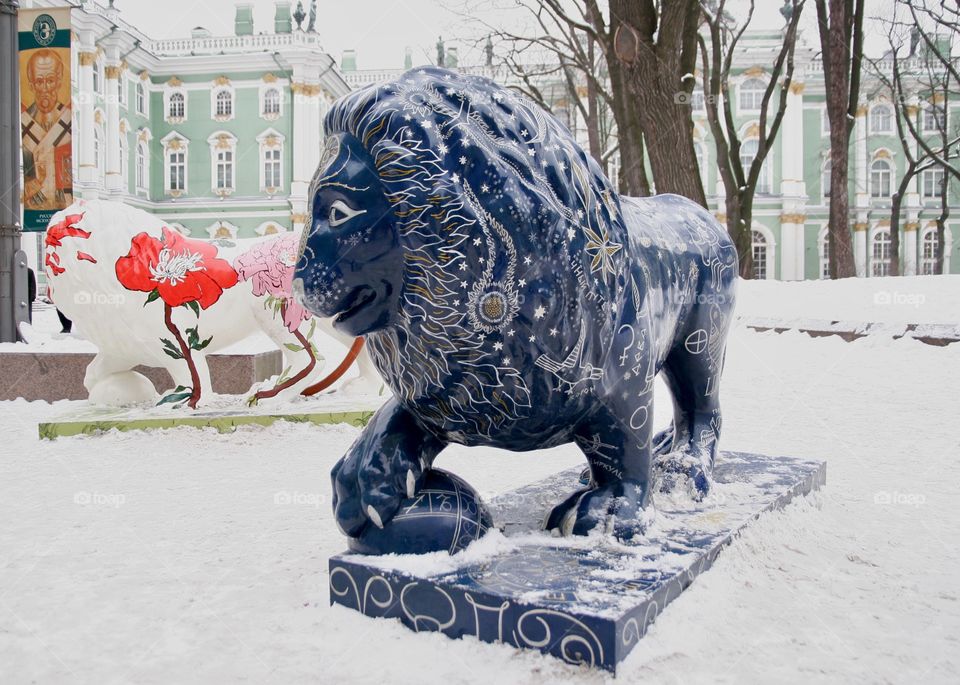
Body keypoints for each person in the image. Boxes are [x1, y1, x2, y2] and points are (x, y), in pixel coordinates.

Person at [21, 49, 73, 211]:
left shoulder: (67, 119)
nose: (44, 88)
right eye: (39, 81)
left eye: (50, 80)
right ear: (31, 85)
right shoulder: (25, 122)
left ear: (59, 82)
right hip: (36, 202)